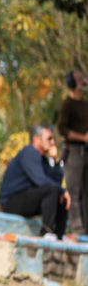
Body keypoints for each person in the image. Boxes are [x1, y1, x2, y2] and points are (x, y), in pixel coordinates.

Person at [0, 124, 69, 239]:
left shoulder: (42, 159)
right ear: (36, 139)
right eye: (49, 138)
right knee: (53, 190)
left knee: (62, 197)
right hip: (11, 202)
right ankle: (47, 232)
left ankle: (58, 236)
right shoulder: (30, 152)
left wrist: (56, 161)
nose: (52, 142)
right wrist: (61, 190)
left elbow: (55, 182)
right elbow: (41, 180)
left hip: (27, 198)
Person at [58, 69, 88, 235]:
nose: (82, 80)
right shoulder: (66, 104)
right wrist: (83, 137)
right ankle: (78, 230)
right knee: (74, 192)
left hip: (86, 151)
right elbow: (62, 129)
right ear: (71, 82)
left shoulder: (85, 103)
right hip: (74, 152)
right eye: (79, 78)